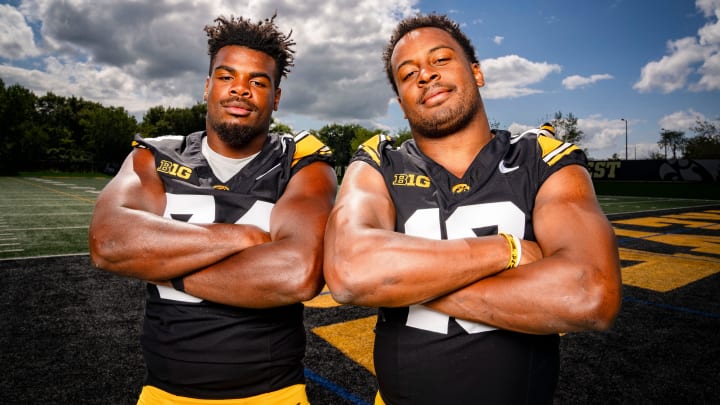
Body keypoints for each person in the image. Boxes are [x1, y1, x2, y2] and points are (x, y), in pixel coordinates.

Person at [323, 13, 621, 405]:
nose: (425, 75)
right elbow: (349, 270)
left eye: (440, 59)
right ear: (400, 101)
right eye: (408, 73)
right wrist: (508, 250)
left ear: (477, 72)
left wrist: (400, 282)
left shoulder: (538, 156)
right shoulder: (380, 160)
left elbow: (590, 293)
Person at [89, 14, 337, 404]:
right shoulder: (155, 155)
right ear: (207, 87)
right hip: (163, 393)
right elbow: (108, 242)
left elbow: (298, 273)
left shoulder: (302, 161)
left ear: (276, 97)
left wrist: (162, 267)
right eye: (226, 77)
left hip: (275, 394)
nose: (241, 90)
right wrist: (244, 237)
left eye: (258, 81)